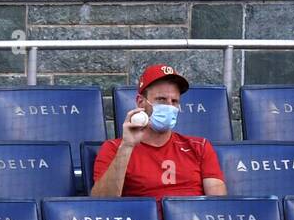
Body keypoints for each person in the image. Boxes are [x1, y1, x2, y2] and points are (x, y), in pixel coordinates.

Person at [92, 63, 227, 199]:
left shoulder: (200, 147)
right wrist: (127, 146)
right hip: (144, 219)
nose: (169, 106)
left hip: (192, 218)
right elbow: (102, 204)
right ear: (140, 102)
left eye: (174, 101)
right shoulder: (115, 148)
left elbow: (217, 206)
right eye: (161, 99)